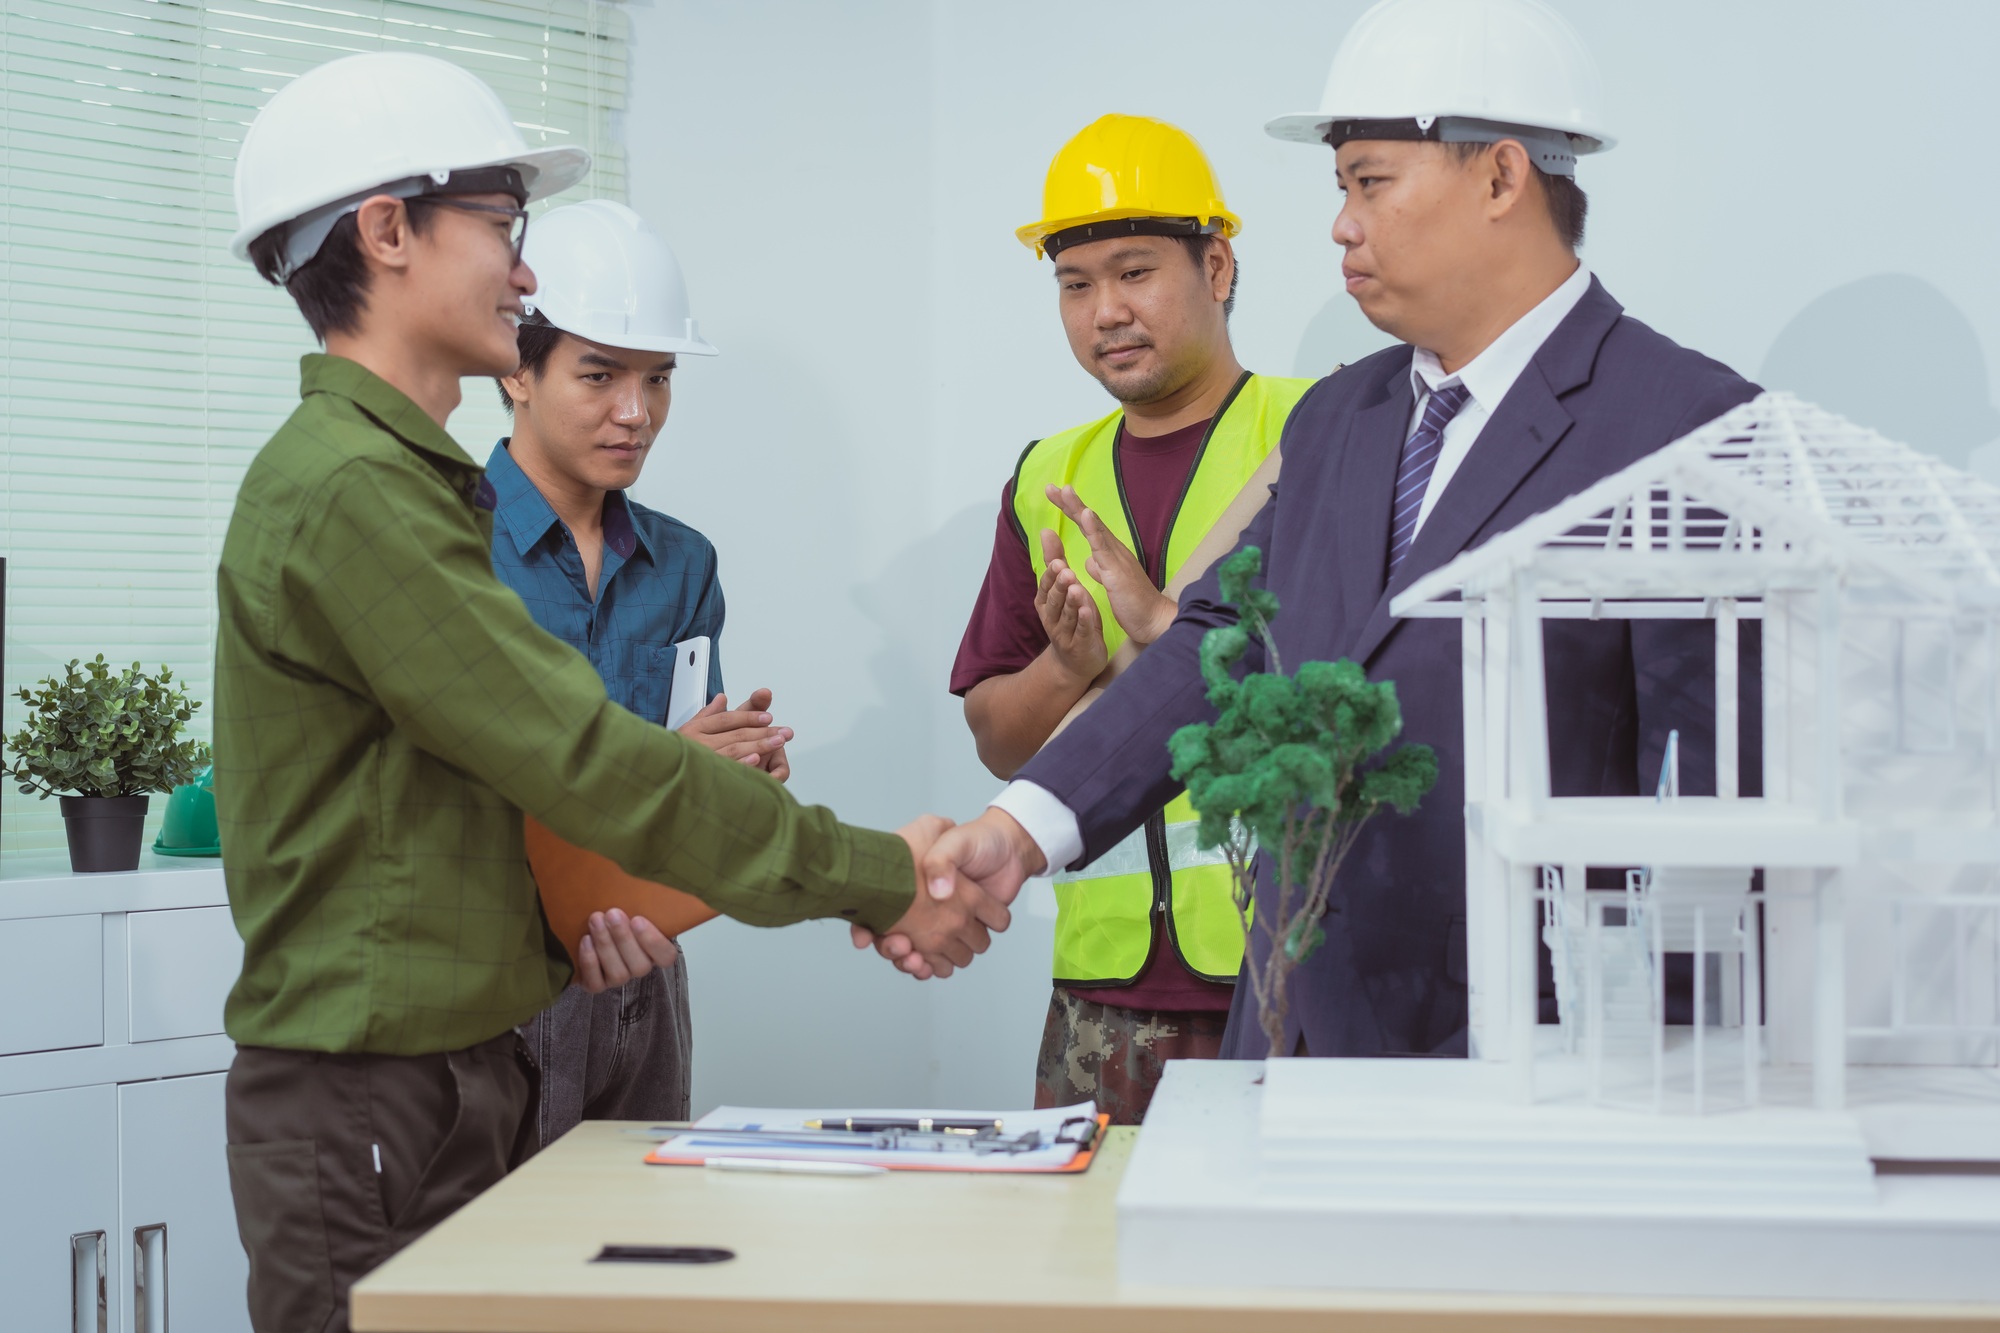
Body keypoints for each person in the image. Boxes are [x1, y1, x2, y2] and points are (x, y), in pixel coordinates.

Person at [215, 51, 1004, 1333]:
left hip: (455, 1070)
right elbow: (585, 760)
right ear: (385, 232)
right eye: (499, 228)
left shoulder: (407, 489)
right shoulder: (351, 492)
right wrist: (879, 874)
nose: (522, 272)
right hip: (372, 1094)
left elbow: (492, 814)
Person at [878, 0, 1758, 1059]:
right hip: (1289, 1035)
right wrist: (1017, 833)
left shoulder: (1679, 428)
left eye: (1368, 182)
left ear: (1500, 177)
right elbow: (1216, 642)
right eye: (1338, 189)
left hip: (1528, 1070)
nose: (1339, 224)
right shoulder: (1342, 419)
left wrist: (1687, 1089)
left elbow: (1725, 818)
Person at [951, 114, 1311, 1122]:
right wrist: (1066, 668)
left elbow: (1354, 704)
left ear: (1217, 265)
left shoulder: (1316, 434)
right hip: (1096, 996)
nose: (1105, 309)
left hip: (1278, 975)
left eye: (1134, 271)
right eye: (1075, 284)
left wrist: (1162, 628)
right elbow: (993, 741)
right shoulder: (1044, 477)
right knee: (1079, 1265)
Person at [487, 199, 790, 1149]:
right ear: (515, 371)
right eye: (600, 374)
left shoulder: (685, 564)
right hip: (497, 977)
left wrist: (735, 781)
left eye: (657, 378)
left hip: (648, 974)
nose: (636, 411)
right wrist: (666, 763)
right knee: (496, 1276)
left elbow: (690, 821)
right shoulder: (445, 545)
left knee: (634, 1260)